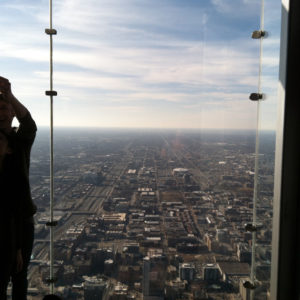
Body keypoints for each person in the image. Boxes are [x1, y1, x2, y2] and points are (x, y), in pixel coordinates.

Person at [0, 76, 37, 300]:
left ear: (12, 112)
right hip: (1, 219)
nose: (2, 112)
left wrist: (10, 95)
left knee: (20, 276)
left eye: (5, 108)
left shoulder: (20, 142)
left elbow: (29, 124)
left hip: (20, 219)